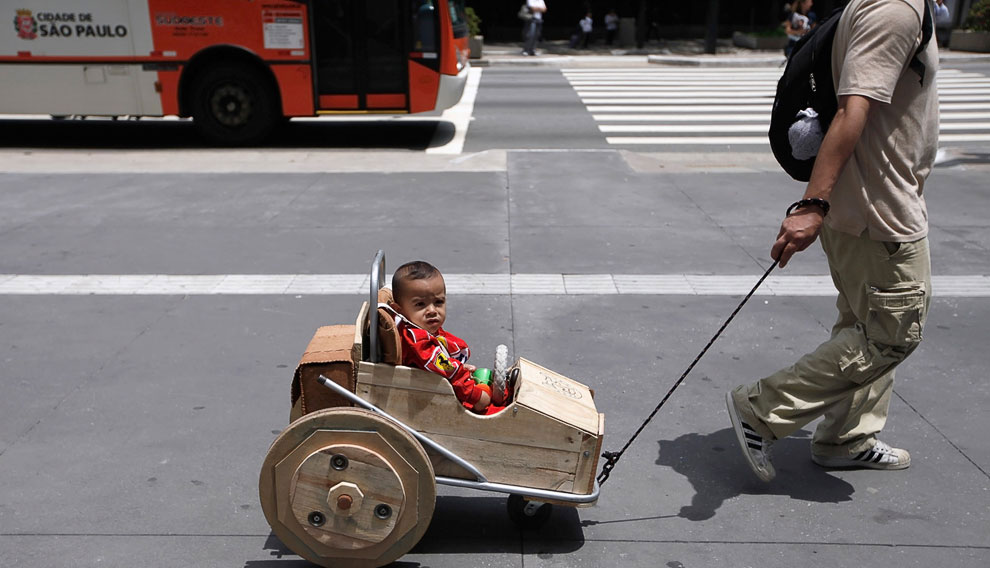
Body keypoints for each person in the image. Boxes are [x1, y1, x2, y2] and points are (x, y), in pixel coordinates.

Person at [727, 0, 938, 482]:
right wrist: (812, 205)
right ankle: (760, 409)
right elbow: (851, 110)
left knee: (863, 322)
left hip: (863, 204)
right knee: (890, 336)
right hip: (878, 210)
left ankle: (847, 437)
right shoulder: (895, 9)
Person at [388, 261, 504, 415]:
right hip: (428, 395)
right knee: (496, 409)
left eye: (438, 302)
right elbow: (446, 371)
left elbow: (443, 363)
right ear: (399, 310)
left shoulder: (417, 327)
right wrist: (475, 396)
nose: (432, 310)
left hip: (434, 382)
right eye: (420, 304)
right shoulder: (417, 340)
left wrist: (459, 366)